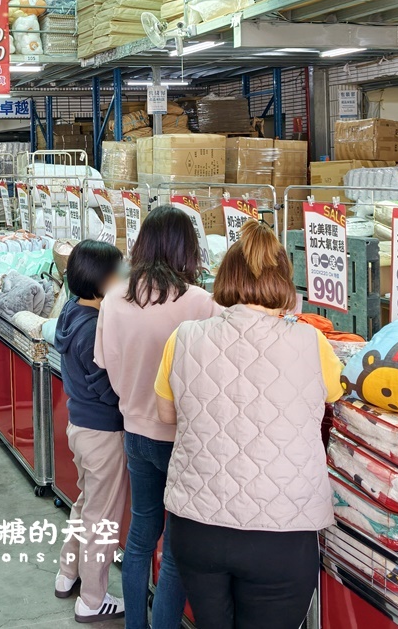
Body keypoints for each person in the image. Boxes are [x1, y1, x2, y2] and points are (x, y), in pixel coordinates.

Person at [154, 219, 343, 629]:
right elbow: (334, 398)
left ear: (225, 278)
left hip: (197, 525)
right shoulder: (313, 343)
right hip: (282, 530)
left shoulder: (184, 337)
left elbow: (167, 416)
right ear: (284, 282)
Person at [93, 206, 219, 629]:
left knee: (141, 534)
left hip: (134, 431)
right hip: (182, 439)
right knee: (178, 546)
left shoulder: (113, 299)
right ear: (187, 248)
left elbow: (106, 365)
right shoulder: (200, 303)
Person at [52, 240, 128, 624]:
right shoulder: (94, 328)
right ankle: (93, 599)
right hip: (103, 433)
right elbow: (108, 387)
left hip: (79, 427)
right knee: (103, 518)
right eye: (118, 272)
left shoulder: (70, 312)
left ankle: (68, 573)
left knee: (85, 507)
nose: (123, 279)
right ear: (101, 279)